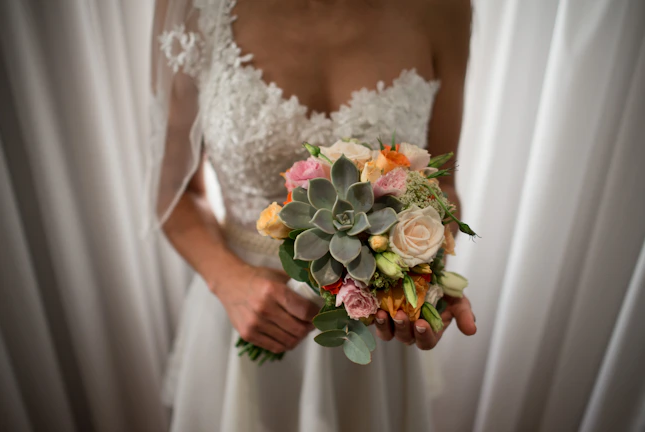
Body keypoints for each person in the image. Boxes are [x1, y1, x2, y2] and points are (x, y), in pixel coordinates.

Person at [148, 0, 476, 430]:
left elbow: (441, 185)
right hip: (244, 313)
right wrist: (227, 280)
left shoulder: (444, 8)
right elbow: (173, 192)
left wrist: (423, 279)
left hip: (373, 319)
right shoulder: (187, 6)